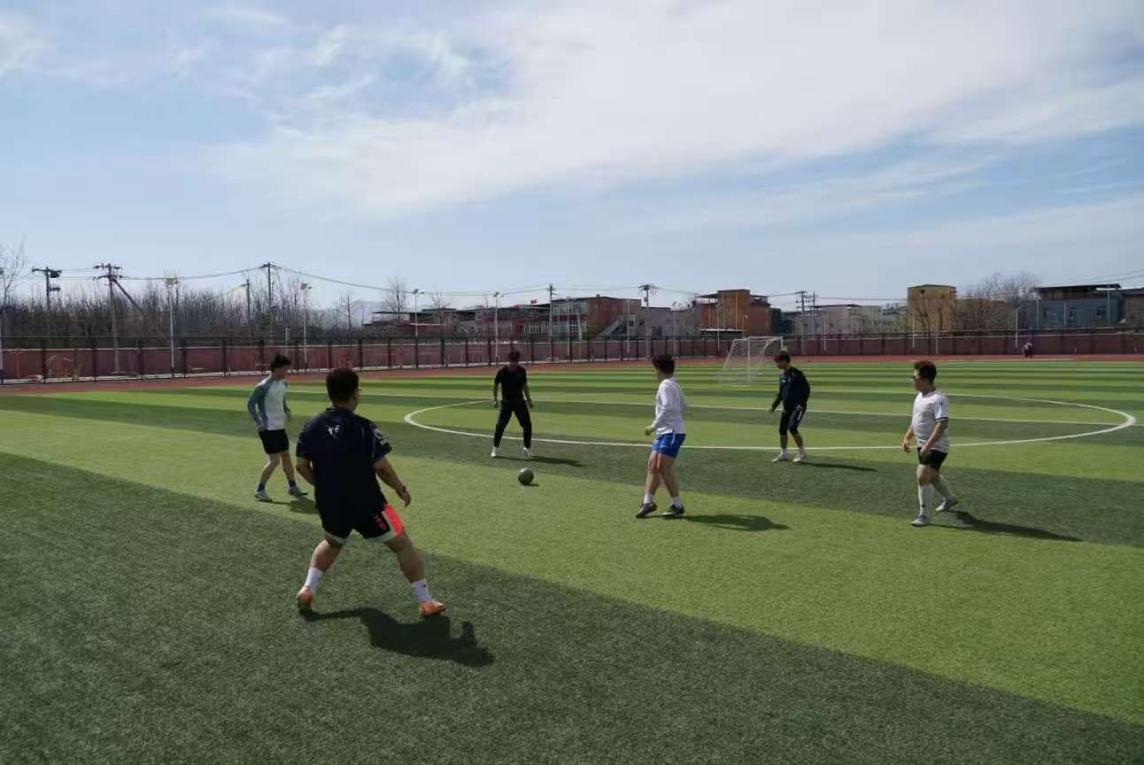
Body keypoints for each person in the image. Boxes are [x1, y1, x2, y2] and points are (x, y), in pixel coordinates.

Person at [293, 368, 445, 618]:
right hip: (369, 503)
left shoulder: (311, 426)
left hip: (330, 503)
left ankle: (308, 588)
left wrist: (324, 486)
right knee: (403, 544)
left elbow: (301, 465)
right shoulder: (364, 427)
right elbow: (382, 467)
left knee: (332, 542)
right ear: (355, 393)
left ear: (330, 393)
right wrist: (400, 488)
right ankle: (426, 602)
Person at [901, 360, 959, 527]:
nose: (912, 380)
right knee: (932, 476)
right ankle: (950, 498)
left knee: (922, 475)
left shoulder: (938, 399)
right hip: (923, 444)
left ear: (925, 379)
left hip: (937, 446)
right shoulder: (919, 397)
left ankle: (924, 516)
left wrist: (928, 446)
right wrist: (907, 437)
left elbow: (942, 424)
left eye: (914, 377)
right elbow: (916, 421)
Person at [247, 354, 306, 502]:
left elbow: (282, 397)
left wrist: (286, 409)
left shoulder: (283, 383)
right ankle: (260, 490)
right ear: (277, 368)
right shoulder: (262, 386)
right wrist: (258, 422)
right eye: (285, 369)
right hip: (267, 428)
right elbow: (250, 404)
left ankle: (292, 486)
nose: (287, 372)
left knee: (286, 455)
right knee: (274, 460)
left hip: (279, 427)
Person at [637, 354, 688, 519]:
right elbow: (684, 405)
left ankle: (677, 505)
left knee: (663, 468)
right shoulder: (675, 384)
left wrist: (654, 425)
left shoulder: (665, 385)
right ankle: (647, 503)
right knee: (653, 465)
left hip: (671, 432)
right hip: (667, 432)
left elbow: (667, 407)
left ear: (659, 369)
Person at [769, 350, 811, 463]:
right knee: (782, 430)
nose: (777, 364)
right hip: (787, 408)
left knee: (792, 428)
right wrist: (774, 406)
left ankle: (801, 452)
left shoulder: (797, 374)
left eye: (778, 362)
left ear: (784, 361)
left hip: (798, 408)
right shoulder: (782, 375)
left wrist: (801, 404)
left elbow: (807, 390)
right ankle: (784, 454)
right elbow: (781, 393)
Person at [490, 349, 534, 458]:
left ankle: (527, 447)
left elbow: (525, 386)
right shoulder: (502, 371)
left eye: (516, 361)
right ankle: (495, 448)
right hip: (506, 403)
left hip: (519, 402)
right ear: (509, 360)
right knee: (500, 425)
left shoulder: (521, 371)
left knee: (527, 425)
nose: (514, 363)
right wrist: (495, 399)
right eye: (512, 361)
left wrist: (529, 400)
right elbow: (495, 385)